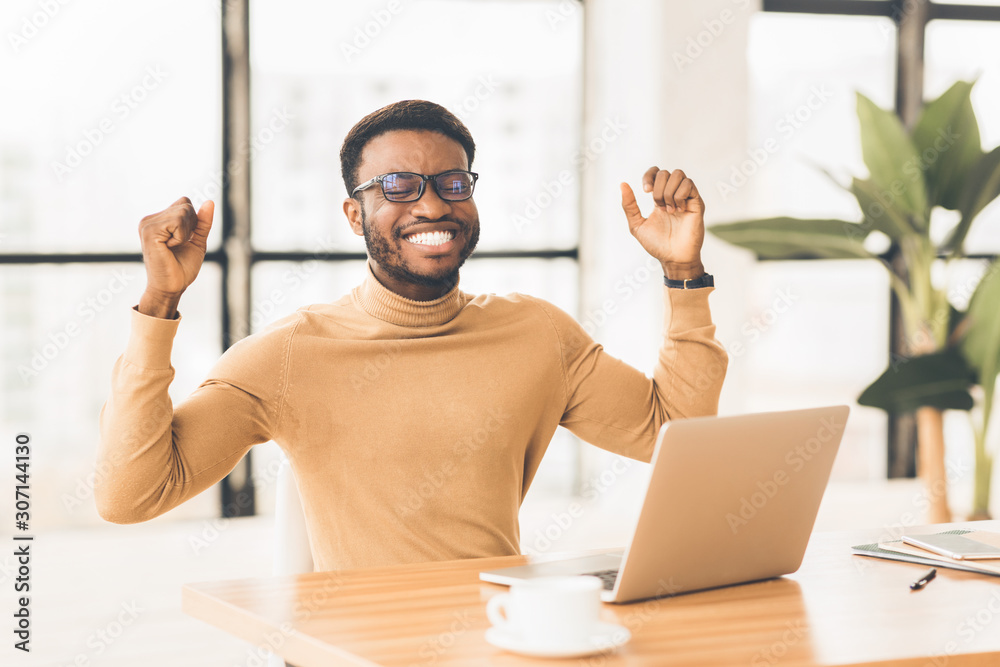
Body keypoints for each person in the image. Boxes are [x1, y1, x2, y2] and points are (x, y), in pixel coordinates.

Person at [96, 100, 727, 572]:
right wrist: (159, 303)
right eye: (398, 187)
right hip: (366, 645)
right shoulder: (289, 355)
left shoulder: (536, 332)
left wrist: (682, 273)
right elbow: (130, 496)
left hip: (502, 635)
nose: (432, 207)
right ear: (354, 215)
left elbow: (677, 430)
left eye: (454, 183)